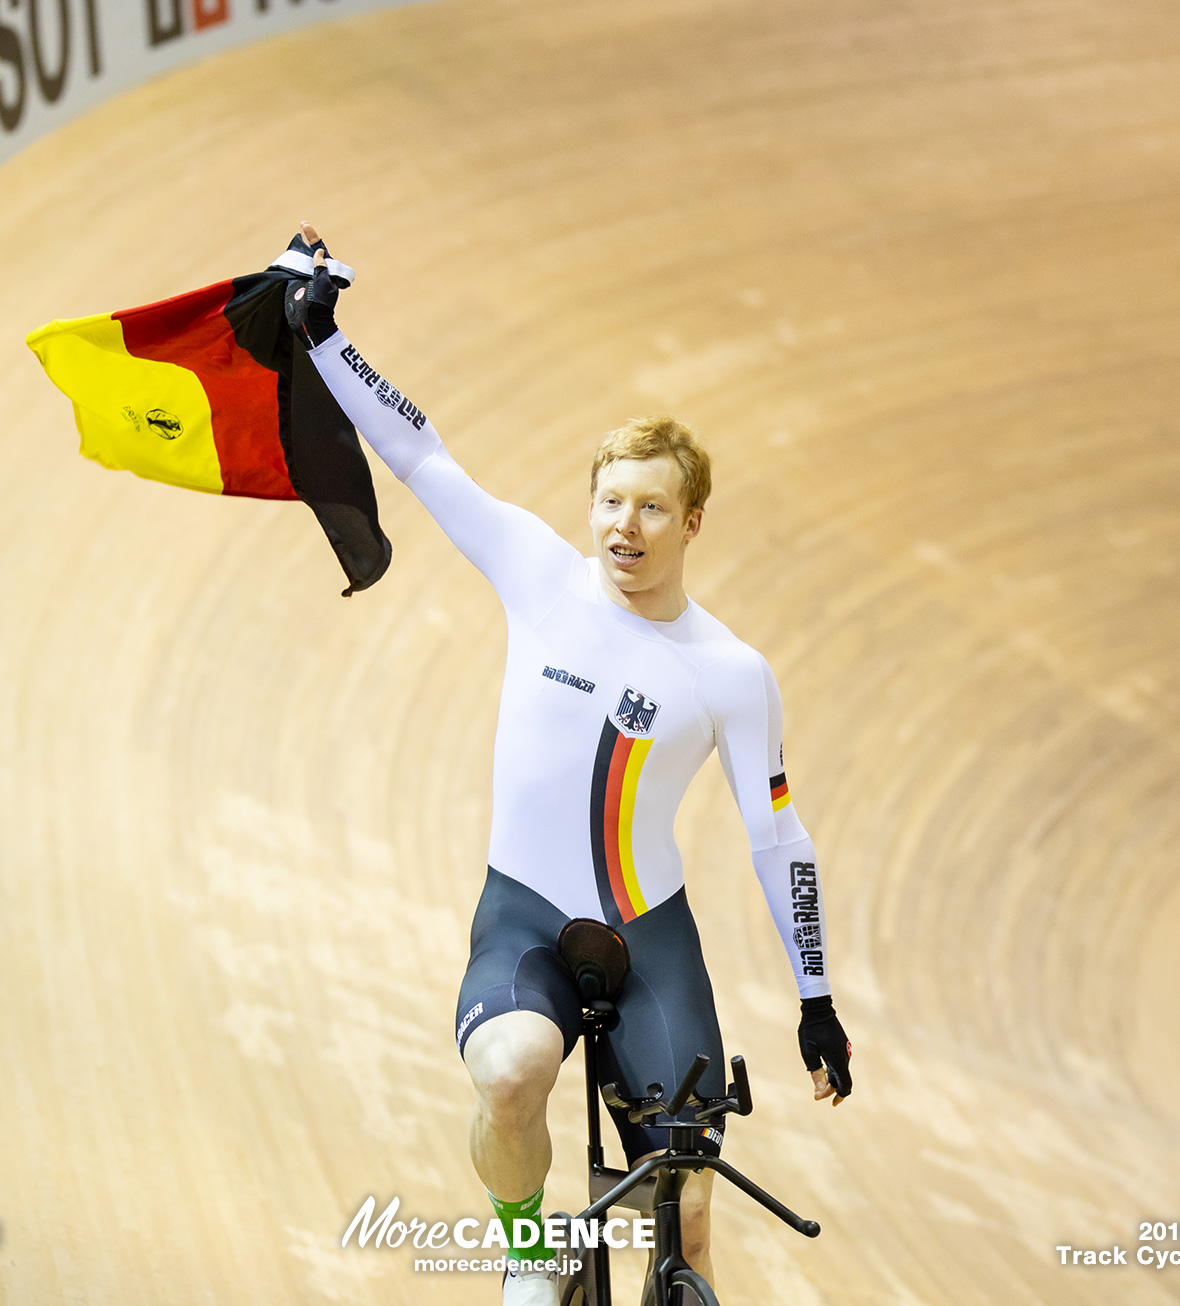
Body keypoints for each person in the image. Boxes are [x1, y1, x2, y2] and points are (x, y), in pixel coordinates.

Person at [285, 224, 853, 1304]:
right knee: (508, 1076)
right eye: (608, 501)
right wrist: (322, 338)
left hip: (648, 932)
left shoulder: (733, 672)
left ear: (692, 519)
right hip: (525, 914)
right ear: (588, 505)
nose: (622, 527)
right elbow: (419, 452)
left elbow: (780, 840)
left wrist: (815, 997)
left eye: (649, 507)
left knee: (684, 1200)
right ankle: (525, 1245)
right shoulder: (540, 576)